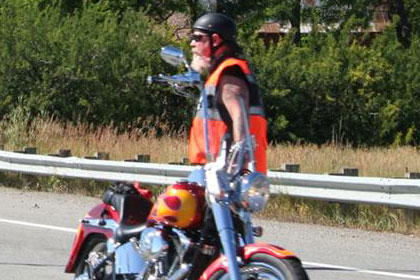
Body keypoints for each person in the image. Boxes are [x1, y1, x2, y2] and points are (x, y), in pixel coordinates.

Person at [188, 12, 267, 174]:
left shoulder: (230, 72)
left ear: (215, 40)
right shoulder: (219, 74)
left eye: (197, 38)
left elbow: (240, 116)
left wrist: (241, 163)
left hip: (226, 176)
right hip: (214, 172)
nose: (192, 44)